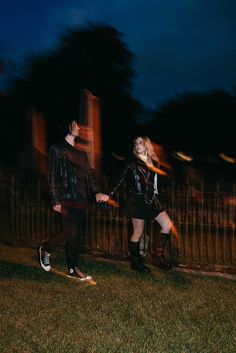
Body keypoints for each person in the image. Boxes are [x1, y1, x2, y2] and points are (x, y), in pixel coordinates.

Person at [38, 120, 104, 280]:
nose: (78, 127)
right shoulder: (57, 149)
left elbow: (89, 176)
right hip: (65, 198)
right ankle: (45, 249)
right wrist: (55, 200)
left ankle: (73, 268)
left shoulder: (81, 154)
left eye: (78, 125)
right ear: (67, 127)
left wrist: (97, 192)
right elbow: (52, 175)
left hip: (81, 199)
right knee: (70, 231)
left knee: (76, 236)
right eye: (74, 124)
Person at [101, 136, 175, 273]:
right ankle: (135, 262)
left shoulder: (155, 163)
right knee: (138, 232)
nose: (137, 144)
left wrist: (160, 196)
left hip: (153, 200)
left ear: (147, 145)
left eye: (140, 142)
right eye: (136, 143)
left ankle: (157, 257)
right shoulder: (132, 163)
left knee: (167, 225)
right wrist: (108, 194)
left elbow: (157, 184)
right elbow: (121, 179)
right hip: (137, 200)